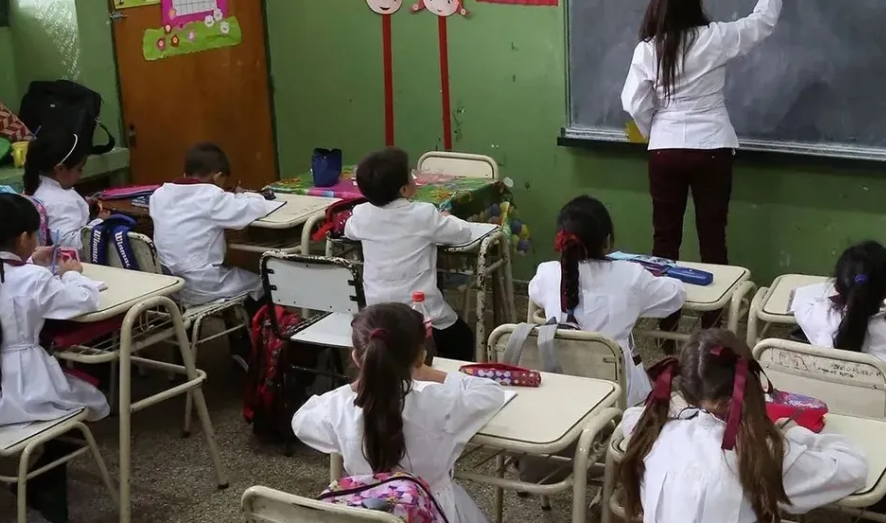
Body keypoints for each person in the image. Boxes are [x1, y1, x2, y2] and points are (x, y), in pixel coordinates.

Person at [621, 0, 781, 337]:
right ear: (696, 1)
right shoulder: (715, 38)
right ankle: (714, 327)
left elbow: (632, 102)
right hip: (712, 148)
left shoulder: (648, 50)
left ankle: (667, 326)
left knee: (665, 241)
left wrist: (657, 126)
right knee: (713, 239)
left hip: (665, 150)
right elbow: (762, 22)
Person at [618, 329, 868, 523]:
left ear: (685, 389)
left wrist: (678, 409)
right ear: (751, 384)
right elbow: (853, 468)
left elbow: (631, 416)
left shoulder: (654, 434)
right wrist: (796, 434)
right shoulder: (763, 452)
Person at [292, 303, 505, 523]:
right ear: (420, 357)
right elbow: (491, 393)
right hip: (432, 510)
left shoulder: (339, 408)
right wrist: (429, 373)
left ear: (356, 357)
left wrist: (356, 385)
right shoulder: (439, 403)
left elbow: (301, 420)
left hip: (365, 512)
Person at [0, 194, 109, 522]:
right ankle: (43, 483)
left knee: (76, 398)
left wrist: (30, 261)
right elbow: (84, 300)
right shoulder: (34, 280)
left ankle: (45, 488)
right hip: (23, 388)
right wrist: (72, 272)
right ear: (23, 239)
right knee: (95, 403)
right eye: (35, 235)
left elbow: (5, 281)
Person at [789, 240, 886, 483]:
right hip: (879, 424)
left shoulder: (817, 316)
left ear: (838, 286)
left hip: (822, 420)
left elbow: (800, 301)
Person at [528, 195, 685, 406]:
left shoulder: (547, 273)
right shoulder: (631, 276)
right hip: (621, 399)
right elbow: (675, 297)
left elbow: (534, 292)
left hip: (562, 391)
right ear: (608, 241)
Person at [345, 148, 476, 360]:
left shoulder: (361, 214)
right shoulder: (423, 214)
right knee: (462, 338)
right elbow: (462, 234)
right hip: (421, 312)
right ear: (405, 189)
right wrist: (447, 216)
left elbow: (348, 230)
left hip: (376, 312)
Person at [149, 142, 279, 307]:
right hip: (201, 284)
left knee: (237, 277)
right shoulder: (210, 197)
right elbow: (256, 208)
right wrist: (244, 195)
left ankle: (241, 330)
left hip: (169, 285)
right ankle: (259, 331)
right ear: (217, 177)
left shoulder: (159, 195)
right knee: (261, 284)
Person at [22, 131, 106, 249]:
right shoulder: (60, 201)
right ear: (60, 168)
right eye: (79, 169)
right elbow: (69, 243)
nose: (81, 173)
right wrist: (99, 222)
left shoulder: (36, 186)